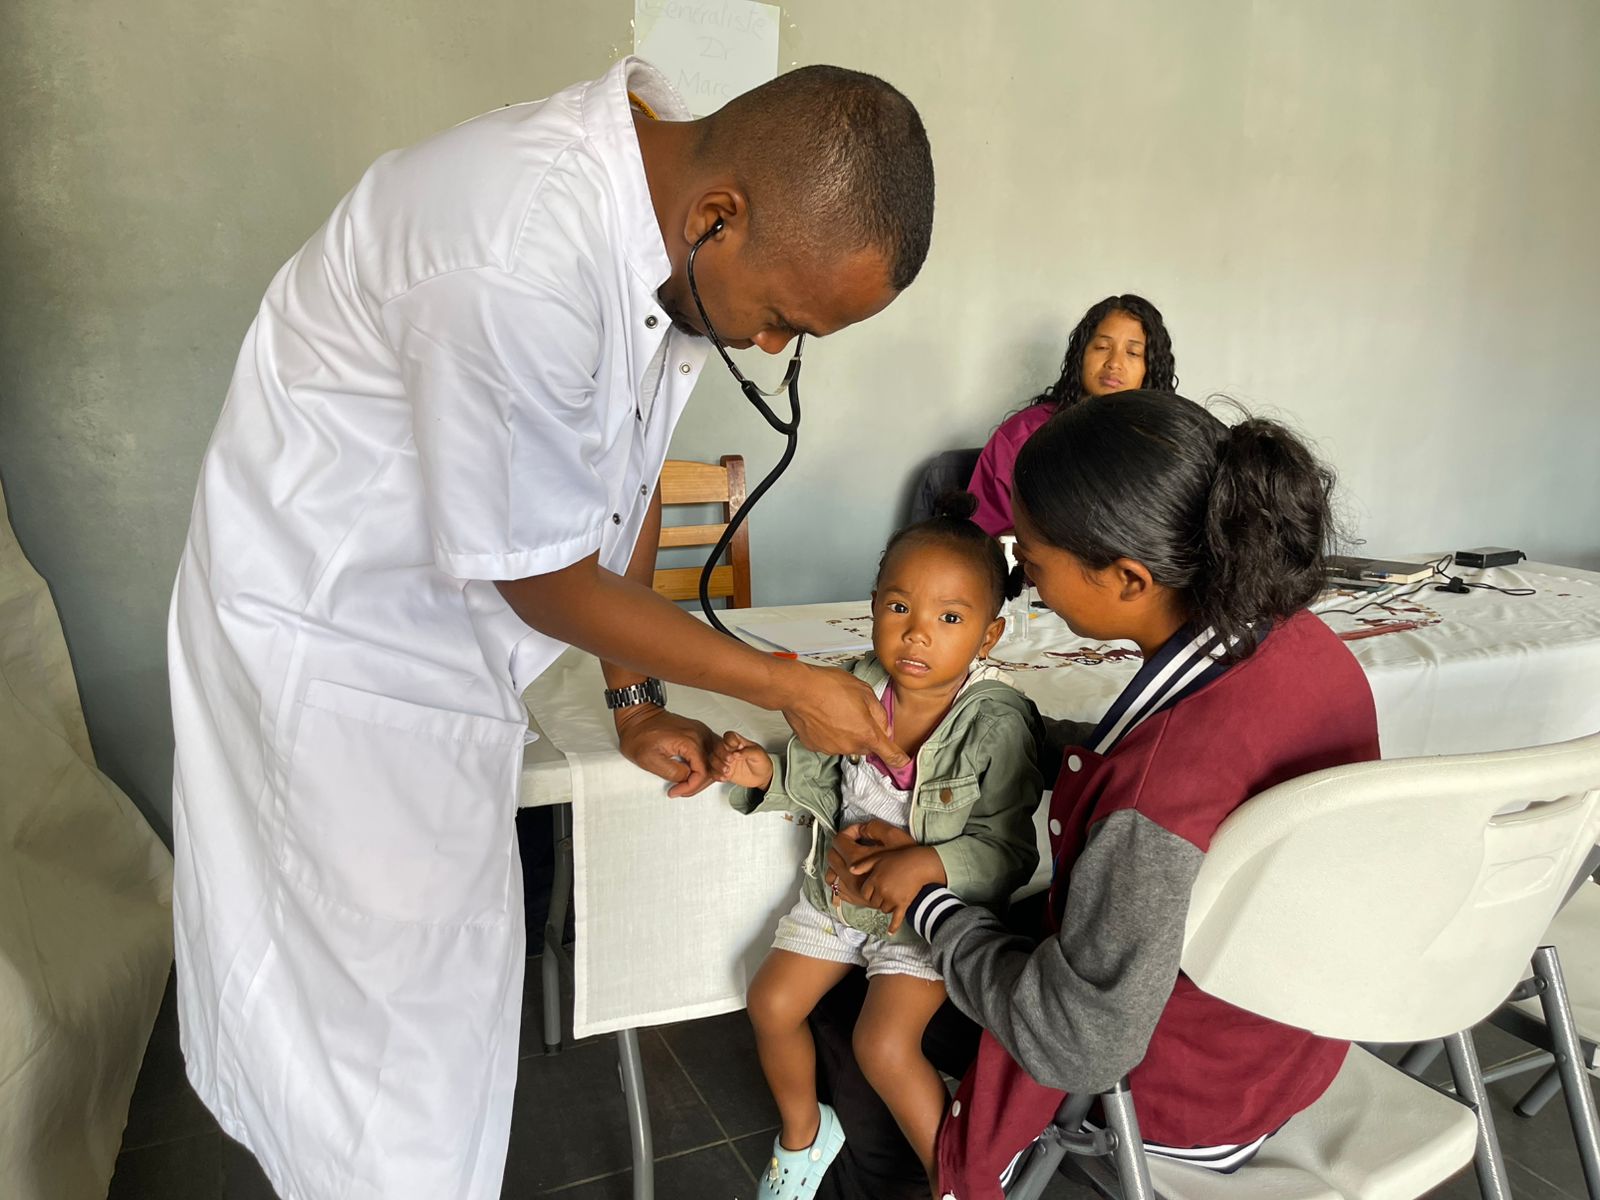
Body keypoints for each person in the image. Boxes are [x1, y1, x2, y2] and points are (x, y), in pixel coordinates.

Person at [166, 58, 933, 1200]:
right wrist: (785, 685)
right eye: (782, 318)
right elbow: (541, 579)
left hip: (433, 664)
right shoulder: (515, 247)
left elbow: (617, 484)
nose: (774, 349)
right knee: (378, 1064)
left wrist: (634, 700)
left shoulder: (667, 234)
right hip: (329, 657)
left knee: (436, 1023)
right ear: (719, 218)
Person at [827, 392, 1380, 1199]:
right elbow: (1162, 764)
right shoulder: (1297, 641)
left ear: (1127, 578)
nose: (1025, 577)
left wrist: (926, 903)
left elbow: (1077, 1042)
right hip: (1292, 1037)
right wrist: (1000, 733)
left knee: (851, 1003)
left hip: (1187, 1096)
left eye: (1032, 559)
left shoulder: (1151, 801)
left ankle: (923, 1181)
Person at [711, 494, 1044, 1200]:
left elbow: (1008, 851)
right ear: (872, 607)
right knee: (770, 1002)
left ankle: (957, 1182)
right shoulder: (850, 689)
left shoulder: (996, 721)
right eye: (899, 608)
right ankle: (803, 1138)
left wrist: (926, 863)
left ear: (988, 636)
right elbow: (813, 781)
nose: (917, 635)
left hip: (924, 916)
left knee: (882, 1045)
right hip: (839, 898)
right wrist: (763, 775)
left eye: (949, 619)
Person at [966, 294, 1177, 536]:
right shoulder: (1022, 436)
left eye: (1133, 353)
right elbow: (982, 535)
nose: (1114, 363)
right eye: (1102, 347)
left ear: (1150, 367)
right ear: (1080, 355)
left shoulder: (1162, 442)